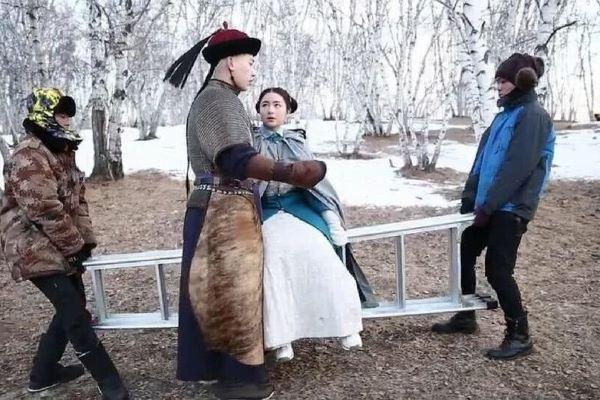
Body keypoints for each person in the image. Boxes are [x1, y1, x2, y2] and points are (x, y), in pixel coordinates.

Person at [164, 24, 327, 400]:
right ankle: (239, 381)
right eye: (249, 62)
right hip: (221, 213)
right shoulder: (217, 99)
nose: (253, 71)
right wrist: (291, 172)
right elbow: (234, 158)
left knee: (220, 293)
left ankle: (226, 373)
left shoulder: (220, 99)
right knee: (233, 296)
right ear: (230, 63)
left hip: (221, 209)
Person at [0, 88, 129, 399]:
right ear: (43, 115)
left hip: (57, 242)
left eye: (69, 114)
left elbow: (77, 201)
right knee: (73, 312)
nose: (68, 119)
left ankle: (43, 374)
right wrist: (74, 246)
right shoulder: (28, 155)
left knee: (73, 304)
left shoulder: (61, 149)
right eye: (61, 113)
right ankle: (111, 384)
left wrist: (84, 243)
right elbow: (43, 208)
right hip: (31, 245)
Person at [431, 53, 556, 360]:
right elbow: (482, 161)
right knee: (465, 251)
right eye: (497, 81)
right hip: (488, 204)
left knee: (498, 270)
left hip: (511, 207)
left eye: (503, 81)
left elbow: (517, 168)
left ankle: (520, 335)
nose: (498, 86)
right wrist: (470, 197)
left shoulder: (533, 116)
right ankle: (466, 315)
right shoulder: (503, 116)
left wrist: (490, 206)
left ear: (521, 81)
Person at [254, 87, 370, 362]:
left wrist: (328, 213)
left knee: (321, 253)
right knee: (273, 260)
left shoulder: (297, 142)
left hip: (299, 206)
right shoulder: (250, 142)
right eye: (265, 105)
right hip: (266, 211)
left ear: (288, 111)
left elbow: (317, 183)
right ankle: (281, 338)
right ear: (258, 110)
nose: (270, 110)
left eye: (277, 105)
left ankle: (345, 326)